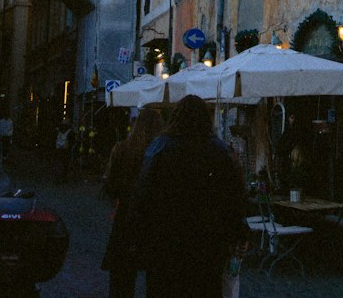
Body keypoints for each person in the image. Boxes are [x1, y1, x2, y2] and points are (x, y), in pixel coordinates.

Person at [128, 94, 246, 298]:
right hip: (207, 245)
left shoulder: (159, 148)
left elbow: (141, 195)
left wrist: (137, 236)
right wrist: (238, 234)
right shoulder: (219, 152)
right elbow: (234, 199)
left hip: (164, 244)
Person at [100, 105, 164, 298]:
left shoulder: (122, 150)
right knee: (156, 279)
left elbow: (110, 188)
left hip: (126, 220)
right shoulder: (162, 154)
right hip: (154, 222)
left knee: (121, 281)